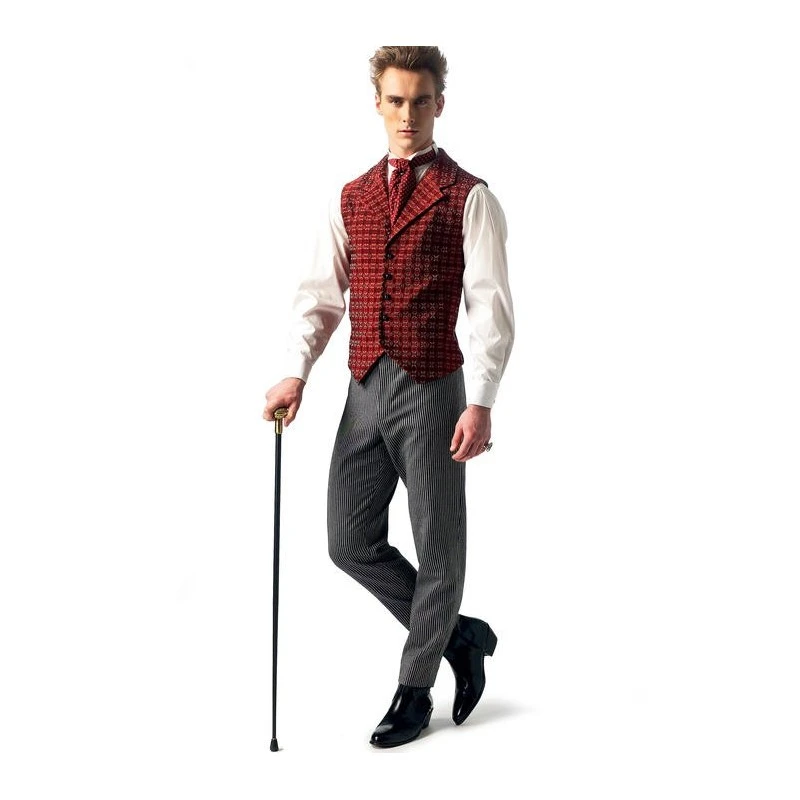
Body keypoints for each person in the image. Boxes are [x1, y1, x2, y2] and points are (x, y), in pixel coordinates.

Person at [263, 45, 514, 748]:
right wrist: (295, 371)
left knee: (440, 546)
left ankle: (415, 687)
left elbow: (491, 306)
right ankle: (458, 636)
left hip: (433, 390)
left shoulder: (470, 196)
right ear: (377, 103)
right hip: (363, 389)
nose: (408, 114)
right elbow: (320, 295)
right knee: (348, 541)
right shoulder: (351, 196)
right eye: (396, 100)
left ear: (440, 104)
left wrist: (481, 399)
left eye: (421, 101)